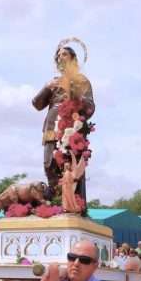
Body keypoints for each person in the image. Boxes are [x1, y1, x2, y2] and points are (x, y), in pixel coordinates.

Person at [33, 44, 94, 203]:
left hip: (69, 130)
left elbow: (90, 106)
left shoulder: (81, 81)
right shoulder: (53, 82)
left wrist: (75, 96)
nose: (60, 58)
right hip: (51, 127)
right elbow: (37, 104)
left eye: (64, 55)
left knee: (70, 168)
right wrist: (47, 88)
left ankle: (72, 203)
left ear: (73, 59)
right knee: (49, 165)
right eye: (58, 56)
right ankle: (54, 201)